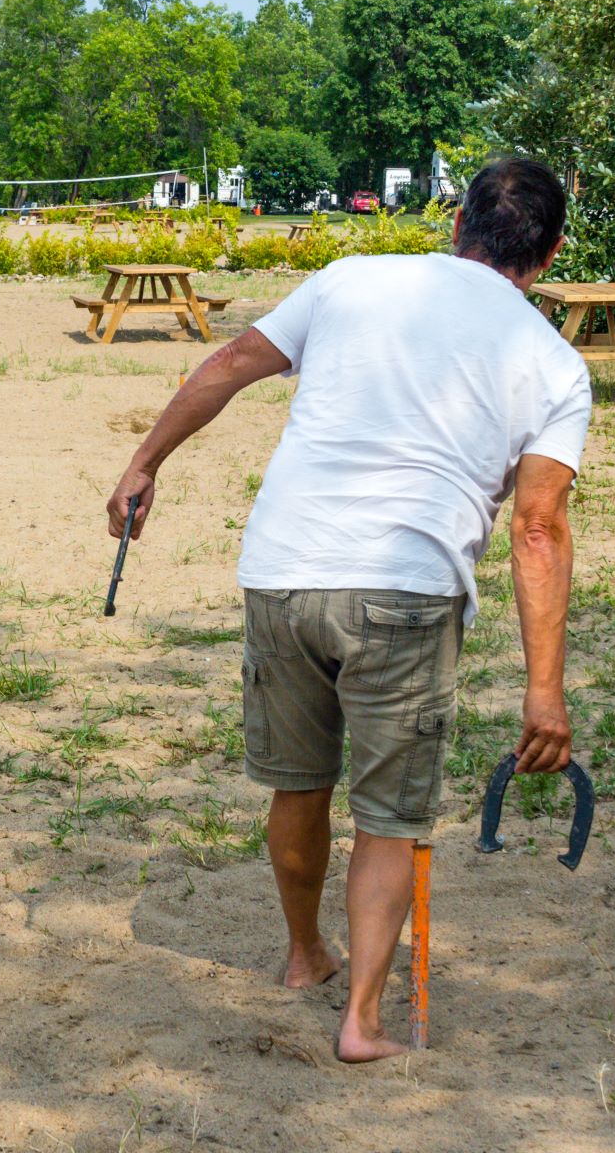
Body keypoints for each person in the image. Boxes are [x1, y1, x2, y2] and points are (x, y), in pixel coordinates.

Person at [106, 158, 589, 1062]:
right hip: (406, 587)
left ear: (457, 226)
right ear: (551, 253)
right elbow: (537, 531)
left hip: (283, 569)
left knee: (299, 783)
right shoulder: (554, 363)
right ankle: (362, 1020)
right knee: (390, 816)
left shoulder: (349, 280)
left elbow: (230, 363)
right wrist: (545, 692)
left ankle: (303, 955)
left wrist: (144, 464)